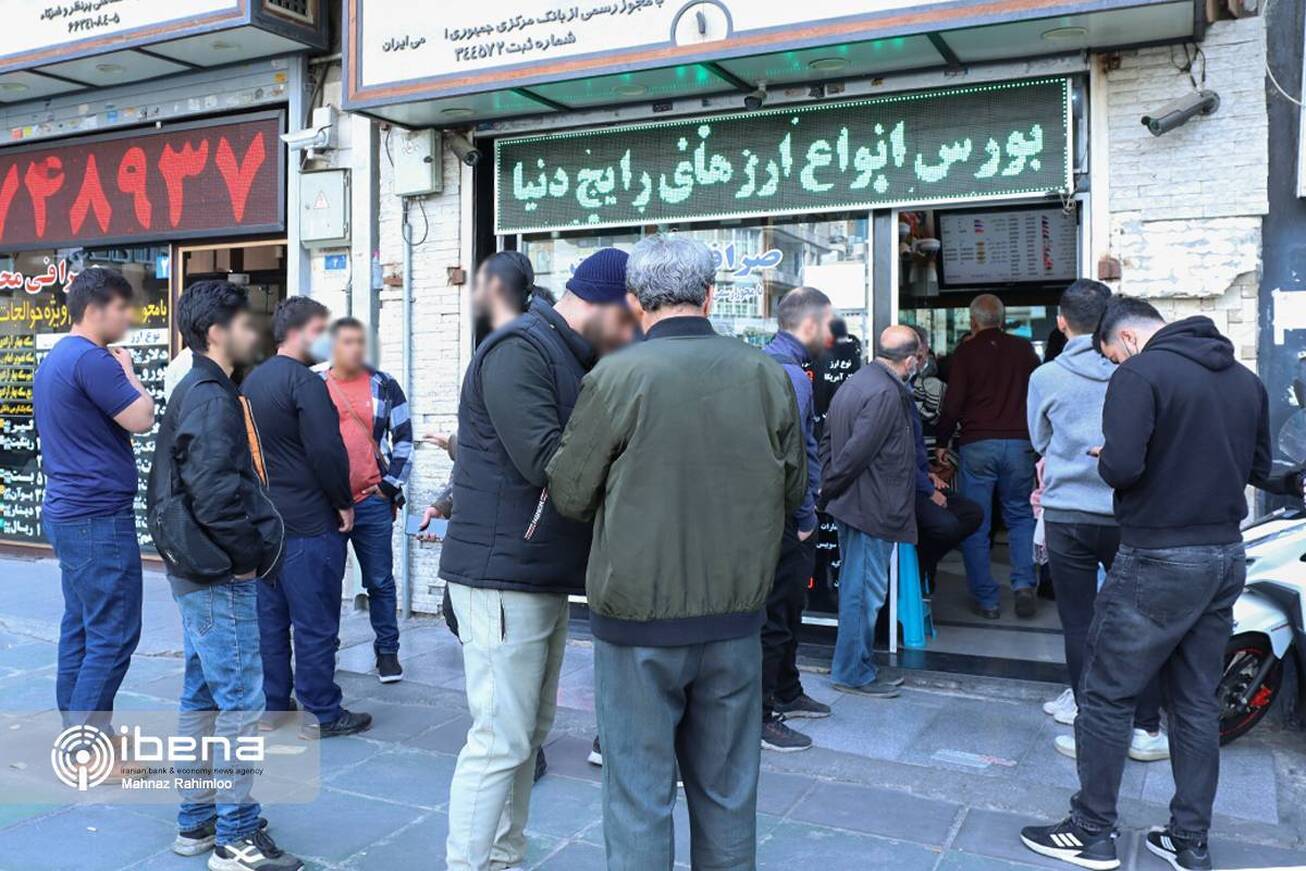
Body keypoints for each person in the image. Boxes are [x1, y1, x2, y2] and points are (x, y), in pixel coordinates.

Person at [548, 234, 804, 870]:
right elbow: (793, 487)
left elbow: (570, 492)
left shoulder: (616, 376)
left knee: (638, 795)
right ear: (710, 296)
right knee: (728, 794)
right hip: (735, 618)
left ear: (635, 302)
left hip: (637, 619)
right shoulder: (764, 374)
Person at [1020, 298, 1300, 871]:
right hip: (1225, 554)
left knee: (1105, 693)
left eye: (1111, 356)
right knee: (1195, 701)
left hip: (1158, 556)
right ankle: (1188, 840)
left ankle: (1090, 831)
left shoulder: (1141, 374)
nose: (1115, 364)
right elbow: (1258, 468)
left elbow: (1123, 468)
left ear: (1125, 339)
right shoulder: (1244, 380)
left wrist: (1108, 456)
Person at [439, 248, 634, 871]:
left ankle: (503, 857)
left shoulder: (566, 353)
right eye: (627, 318)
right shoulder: (520, 349)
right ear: (601, 303)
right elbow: (547, 460)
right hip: (502, 574)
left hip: (537, 572)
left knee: (524, 735)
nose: (629, 333)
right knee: (500, 738)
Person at [147, 280, 301, 871]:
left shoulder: (199, 387)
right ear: (216, 332)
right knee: (239, 701)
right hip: (217, 573)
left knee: (203, 695)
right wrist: (245, 557)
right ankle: (235, 837)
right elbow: (215, 495)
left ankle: (197, 819)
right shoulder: (211, 397)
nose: (253, 331)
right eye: (243, 322)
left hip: (198, 568)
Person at [1025, 281, 1168, 763]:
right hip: (1128, 511)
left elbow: (1039, 440)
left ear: (1061, 322)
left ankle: (1090, 724)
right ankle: (1145, 727)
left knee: (1078, 622)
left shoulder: (1046, 376)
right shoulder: (1141, 369)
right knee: (1138, 620)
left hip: (1067, 513)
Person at [242, 297, 371, 739]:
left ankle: (275, 706)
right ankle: (322, 712)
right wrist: (343, 501)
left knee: (271, 624)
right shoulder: (305, 383)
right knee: (315, 623)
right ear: (300, 332)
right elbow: (326, 451)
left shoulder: (252, 381)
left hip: (267, 525)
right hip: (310, 523)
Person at [34, 267, 155, 731]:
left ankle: (80, 733)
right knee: (114, 632)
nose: (128, 318)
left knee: (82, 626)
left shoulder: (57, 358)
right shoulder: (93, 360)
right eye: (121, 308)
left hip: (70, 512)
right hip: (97, 516)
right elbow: (141, 418)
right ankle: (86, 745)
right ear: (94, 309)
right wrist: (130, 374)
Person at [819, 325, 920, 699]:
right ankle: (851, 672)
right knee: (863, 594)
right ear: (910, 360)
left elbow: (827, 442)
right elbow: (855, 454)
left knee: (858, 589)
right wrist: (829, 489)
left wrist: (829, 487)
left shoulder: (857, 382)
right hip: (870, 507)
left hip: (855, 504)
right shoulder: (886, 393)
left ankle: (859, 665)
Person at [757, 287, 834, 752]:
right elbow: (797, 454)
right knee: (779, 615)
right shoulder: (792, 376)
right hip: (787, 517)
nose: (832, 335)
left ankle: (786, 689)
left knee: (786, 611)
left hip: (774, 512)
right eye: (828, 325)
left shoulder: (767, 364)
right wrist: (806, 516)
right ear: (809, 325)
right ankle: (764, 713)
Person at [934, 293, 1041, 619]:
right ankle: (1024, 584)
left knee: (977, 520)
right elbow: (1037, 395)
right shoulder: (1024, 350)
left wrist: (942, 440)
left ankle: (987, 599)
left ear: (973, 321)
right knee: (1020, 515)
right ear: (1002, 320)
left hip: (978, 444)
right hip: (1020, 443)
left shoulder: (966, 352)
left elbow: (953, 402)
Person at [321, 317, 413, 684]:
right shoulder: (315, 386)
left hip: (372, 501)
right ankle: (325, 651)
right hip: (326, 504)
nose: (356, 348)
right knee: (326, 583)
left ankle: (387, 653)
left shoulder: (383, 384)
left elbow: (404, 438)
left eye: (361, 342)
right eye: (348, 341)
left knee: (380, 581)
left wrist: (389, 486)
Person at [908, 326, 983, 584]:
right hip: (911, 481)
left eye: (922, 354)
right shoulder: (894, 389)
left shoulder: (910, 388)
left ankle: (924, 568)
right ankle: (922, 571)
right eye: (918, 354)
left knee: (969, 514)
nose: (919, 360)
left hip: (926, 471)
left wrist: (928, 473)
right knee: (945, 523)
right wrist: (928, 485)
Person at [813, 316, 862, 430]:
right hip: (849, 412)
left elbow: (821, 389)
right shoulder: (854, 349)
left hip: (826, 413)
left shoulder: (823, 355)